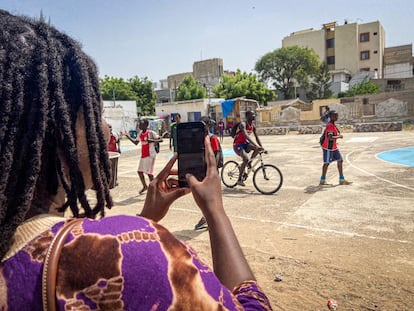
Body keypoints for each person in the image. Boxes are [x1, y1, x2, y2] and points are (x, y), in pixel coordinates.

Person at [0, 10, 272, 310]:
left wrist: (144, 217)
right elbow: (252, 306)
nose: (104, 129)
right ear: (50, 128)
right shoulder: (127, 257)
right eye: (96, 113)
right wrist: (215, 210)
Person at [194, 116, 223, 230]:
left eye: (203, 124)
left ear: (207, 125)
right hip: (203, 170)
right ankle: (210, 219)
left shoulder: (212, 138)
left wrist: (212, 172)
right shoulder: (200, 137)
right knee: (207, 196)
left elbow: (215, 155)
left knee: (209, 197)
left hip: (210, 172)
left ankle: (207, 219)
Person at [123, 119, 163, 194]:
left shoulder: (151, 133)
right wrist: (128, 136)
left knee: (149, 173)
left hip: (150, 155)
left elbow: (161, 140)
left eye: (141, 124)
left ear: (146, 125)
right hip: (143, 155)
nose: (139, 125)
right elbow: (136, 142)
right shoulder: (140, 133)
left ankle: (155, 189)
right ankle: (145, 186)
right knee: (140, 172)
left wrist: (152, 141)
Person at [320, 110, 352, 186]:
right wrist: (339, 136)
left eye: (337, 115)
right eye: (335, 116)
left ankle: (342, 179)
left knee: (340, 160)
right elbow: (330, 137)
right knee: (326, 163)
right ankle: (322, 180)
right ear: (331, 117)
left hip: (334, 147)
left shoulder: (333, 124)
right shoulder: (330, 125)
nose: (337, 117)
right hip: (328, 147)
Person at [233, 111, 263, 186]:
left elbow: (257, 137)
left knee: (256, 149)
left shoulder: (253, 126)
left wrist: (261, 147)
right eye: (252, 114)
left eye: (254, 114)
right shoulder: (243, 124)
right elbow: (246, 136)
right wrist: (256, 145)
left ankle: (249, 163)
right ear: (247, 116)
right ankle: (239, 179)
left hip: (245, 144)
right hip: (237, 145)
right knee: (245, 159)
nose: (254, 115)